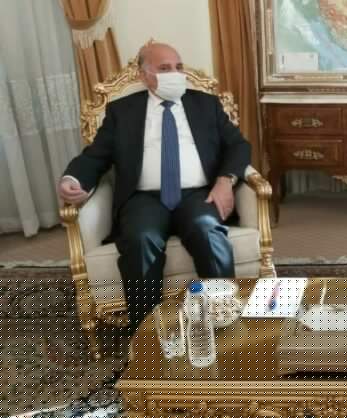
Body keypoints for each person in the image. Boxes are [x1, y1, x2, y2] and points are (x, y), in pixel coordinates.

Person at [58, 43, 251, 330]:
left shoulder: (205, 104)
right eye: (164, 68)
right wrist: (73, 179)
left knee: (208, 232)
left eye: (178, 67)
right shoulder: (122, 111)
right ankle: (148, 331)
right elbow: (96, 156)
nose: (175, 74)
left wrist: (226, 180)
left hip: (198, 194)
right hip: (143, 198)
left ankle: (224, 318)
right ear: (144, 75)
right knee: (140, 239)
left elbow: (239, 146)